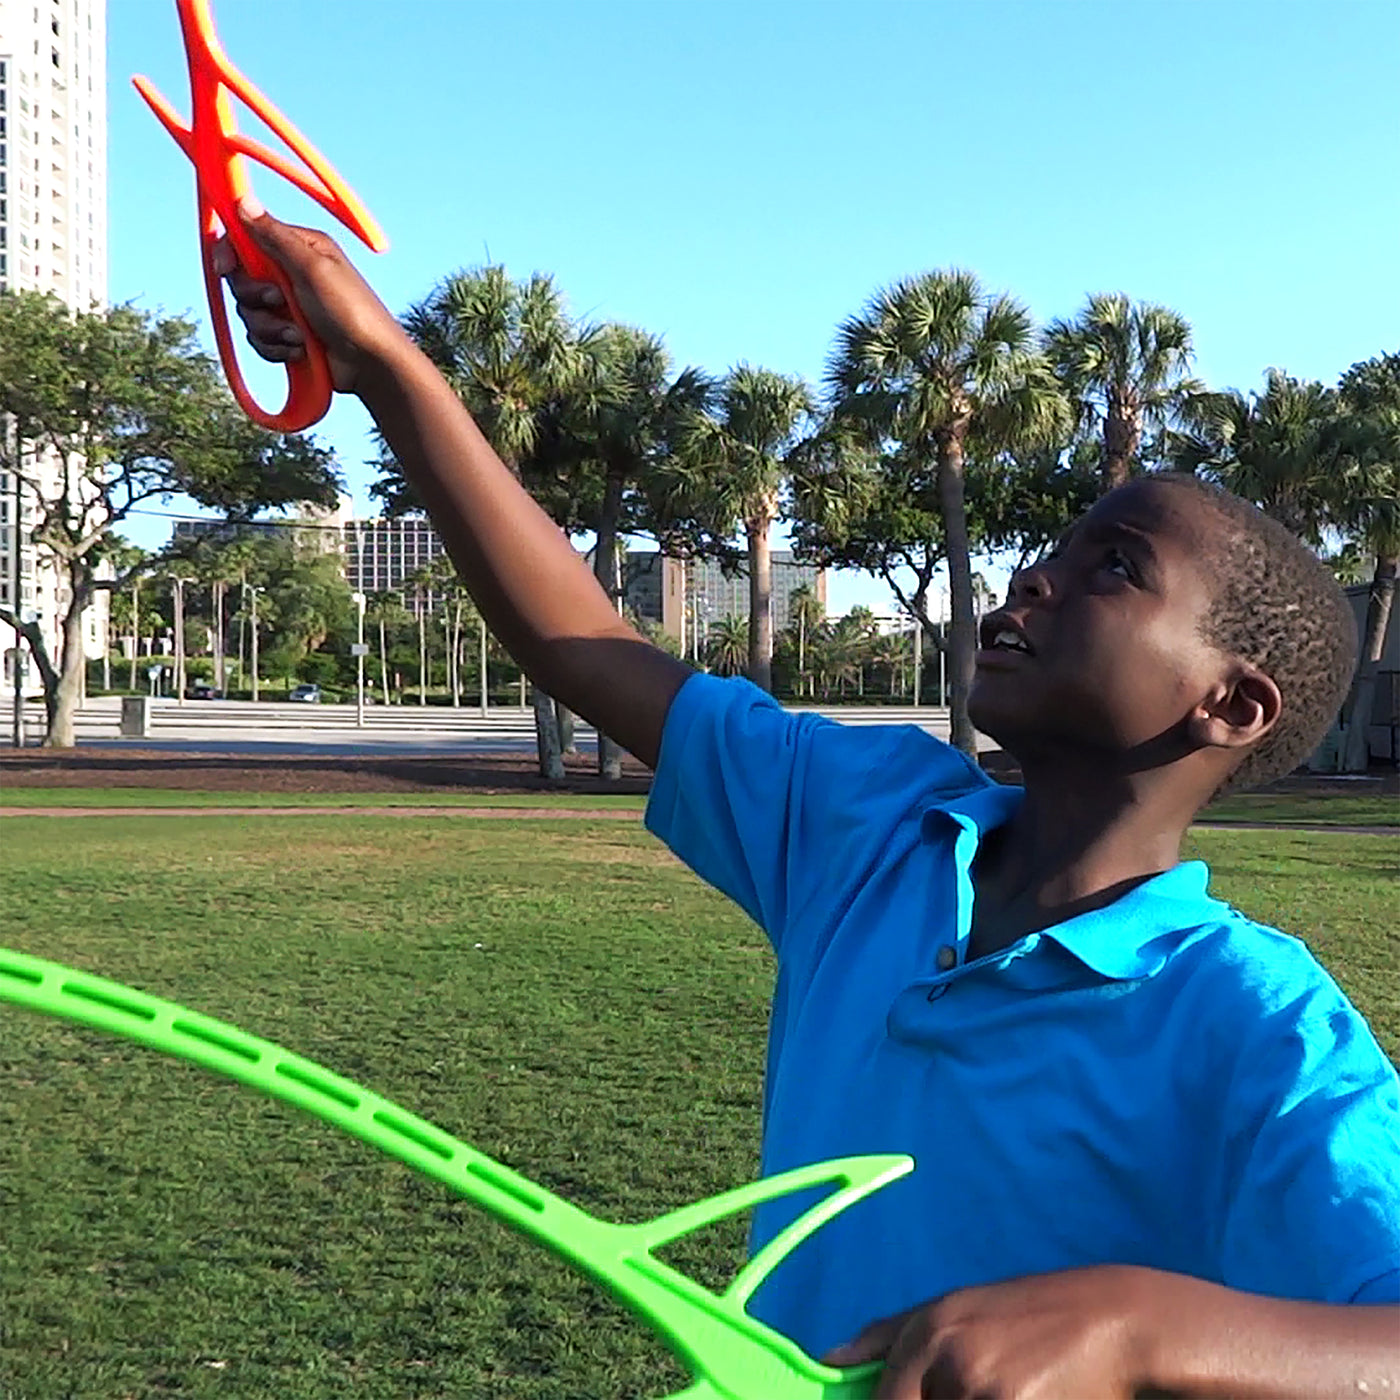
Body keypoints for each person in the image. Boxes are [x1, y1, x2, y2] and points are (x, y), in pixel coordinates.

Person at [216, 198, 1400, 1399]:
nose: (1035, 570)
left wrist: (1144, 1331)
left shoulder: (1258, 1022)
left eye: (1113, 566)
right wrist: (383, 365)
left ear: (1231, 705)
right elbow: (583, 643)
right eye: (1058, 542)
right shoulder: (872, 823)